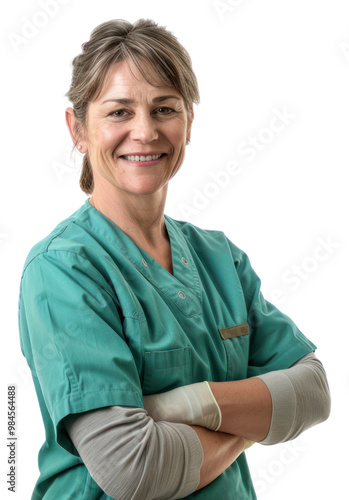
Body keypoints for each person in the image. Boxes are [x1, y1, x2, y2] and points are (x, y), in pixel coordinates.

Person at [18, 18, 331, 500]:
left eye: (164, 108)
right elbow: (134, 469)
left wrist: (181, 405)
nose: (144, 132)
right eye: (119, 112)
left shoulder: (220, 258)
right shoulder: (61, 270)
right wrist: (261, 418)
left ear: (188, 123)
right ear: (78, 129)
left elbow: (312, 394)